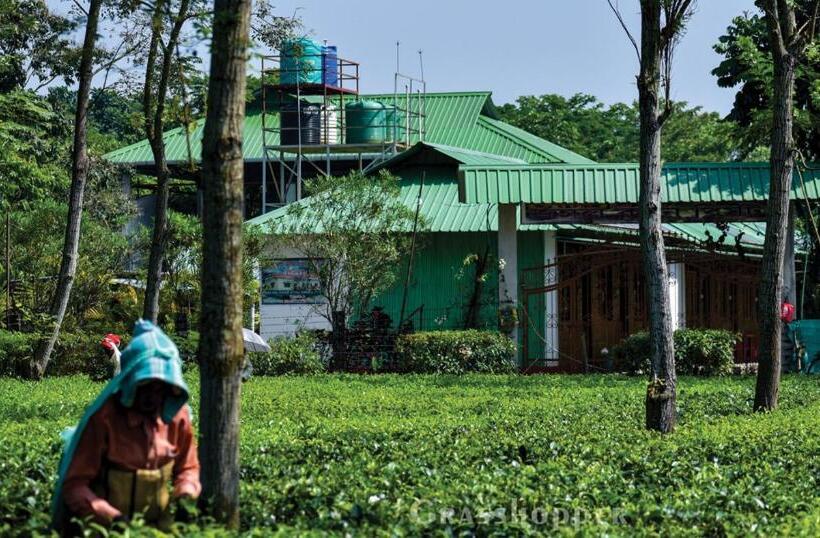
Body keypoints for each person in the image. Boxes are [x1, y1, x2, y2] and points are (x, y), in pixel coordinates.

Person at [51, 320, 201, 534]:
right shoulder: (105, 419)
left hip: (159, 529)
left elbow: (188, 467)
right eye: (145, 386)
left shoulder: (178, 418)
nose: (152, 397)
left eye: (160, 389)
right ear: (132, 382)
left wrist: (186, 492)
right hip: (107, 529)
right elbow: (75, 485)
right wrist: (111, 517)